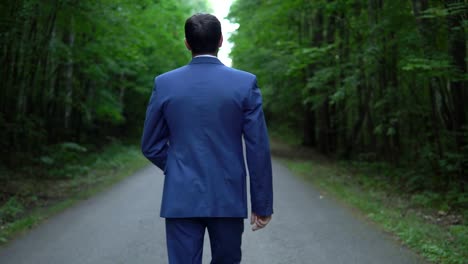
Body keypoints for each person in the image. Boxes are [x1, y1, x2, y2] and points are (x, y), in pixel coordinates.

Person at [141, 13, 273, 264]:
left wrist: (176, 168)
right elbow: (258, 148)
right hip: (228, 195)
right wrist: (262, 204)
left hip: (180, 196)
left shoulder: (164, 83)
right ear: (221, 40)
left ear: (187, 43)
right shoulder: (245, 84)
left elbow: (150, 145)